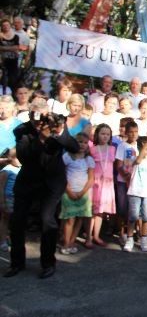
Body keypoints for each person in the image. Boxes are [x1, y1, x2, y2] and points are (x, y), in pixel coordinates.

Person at [6, 101, 79, 279]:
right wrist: (41, 138)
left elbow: (74, 147)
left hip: (52, 181)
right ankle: (17, 263)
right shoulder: (22, 130)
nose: (39, 121)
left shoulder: (55, 125)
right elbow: (24, 157)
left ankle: (48, 263)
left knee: (47, 220)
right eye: (35, 117)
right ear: (30, 115)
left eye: (42, 117)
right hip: (28, 180)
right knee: (17, 220)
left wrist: (59, 132)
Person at [123, 138, 147, 253]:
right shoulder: (134, 159)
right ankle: (129, 239)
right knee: (133, 216)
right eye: (146, 149)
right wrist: (144, 149)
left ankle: (143, 238)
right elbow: (138, 162)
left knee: (146, 217)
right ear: (140, 148)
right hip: (135, 192)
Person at [60, 133, 95, 254]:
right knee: (69, 219)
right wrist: (69, 190)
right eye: (80, 142)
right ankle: (65, 243)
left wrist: (82, 192)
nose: (82, 145)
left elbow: (91, 178)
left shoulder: (89, 159)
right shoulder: (67, 157)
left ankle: (72, 242)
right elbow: (62, 176)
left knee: (79, 219)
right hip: (69, 192)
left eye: (85, 143)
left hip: (83, 193)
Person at [89, 124, 116, 247]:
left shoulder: (112, 149)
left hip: (107, 184)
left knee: (100, 212)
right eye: (102, 134)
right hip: (95, 182)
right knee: (92, 210)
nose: (105, 136)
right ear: (97, 135)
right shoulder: (92, 149)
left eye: (107, 134)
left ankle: (96, 235)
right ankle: (88, 236)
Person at [115, 121, 139, 245]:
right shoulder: (122, 146)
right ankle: (122, 232)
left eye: (136, 132)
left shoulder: (139, 146)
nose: (133, 134)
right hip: (123, 181)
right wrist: (126, 176)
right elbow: (119, 165)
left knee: (133, 209)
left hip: (136, 182)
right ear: (126, 132)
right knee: (122, 208)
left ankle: (132, 231)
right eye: (131, 132)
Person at [0, 148, 21, 252]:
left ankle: (13, 239)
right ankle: (2, 240)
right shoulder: (7, 170)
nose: (19, 160)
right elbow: (1, 186)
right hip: (8, 198)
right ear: (11, 158)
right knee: (5, 219)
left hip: (18, 198)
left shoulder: (22, 169)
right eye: (17, 158)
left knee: (16, 221)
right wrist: (2, 202)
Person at [0, 19, 28, 95]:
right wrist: (13, 48)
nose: (5, 27)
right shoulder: (0, 35)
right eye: (4, 25)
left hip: (13, 61)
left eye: (7, 25)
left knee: (13, 80)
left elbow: (18, 48)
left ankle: (13, 95)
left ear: (10, 26)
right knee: (3, 80)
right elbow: (15, 47)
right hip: (3, 61)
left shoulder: (15, 36)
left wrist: (4, 48)